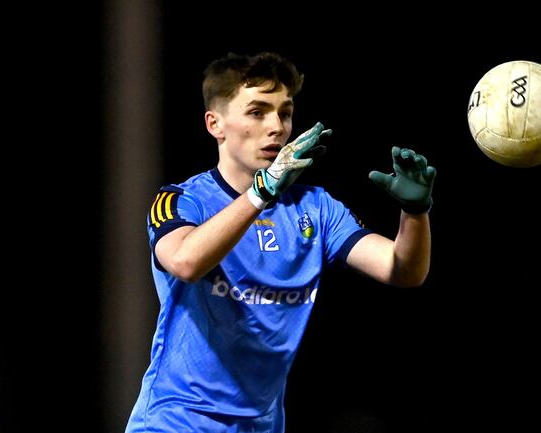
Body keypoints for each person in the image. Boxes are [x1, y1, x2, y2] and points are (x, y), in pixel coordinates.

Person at [125, 51, 436, 433]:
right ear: (215, 124)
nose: (276, 127)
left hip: (263, 425)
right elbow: (185, 262)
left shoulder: (316, 208)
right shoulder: (181, 200)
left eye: (285, 113)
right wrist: (262, 192)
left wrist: (415, 212)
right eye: (257, 112)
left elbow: (402, 270)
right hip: (177, 421)